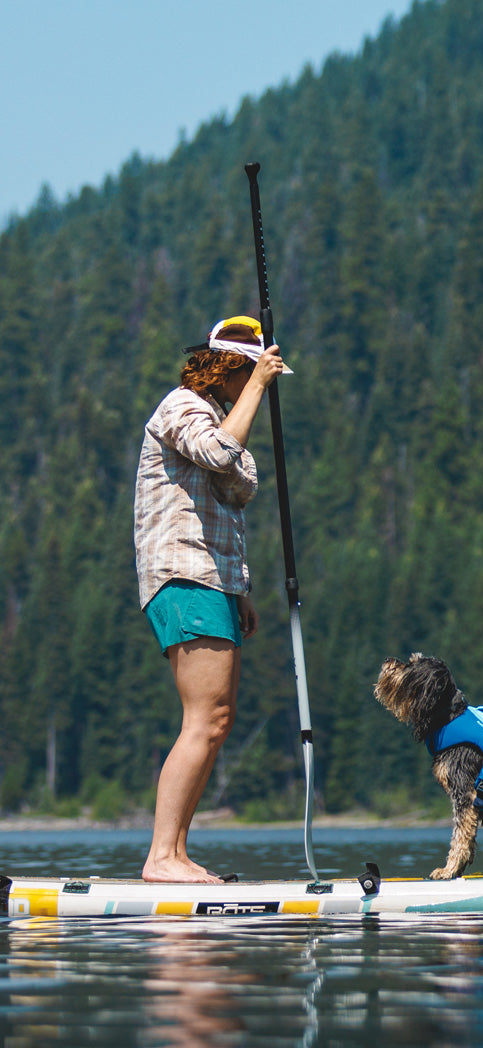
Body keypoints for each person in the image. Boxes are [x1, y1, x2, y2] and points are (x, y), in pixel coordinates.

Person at [134, 316, 290, 882]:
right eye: (249, 374)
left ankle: (173, 854)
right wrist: (257, 385)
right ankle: (162, 858)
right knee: (204, 717)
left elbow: (231, 493)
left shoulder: (224, 416)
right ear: (230, 368)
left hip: (212, 579)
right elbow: (220, 456)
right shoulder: (181, 407)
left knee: (216, 719)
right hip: (182, 574)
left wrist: (237, 589)